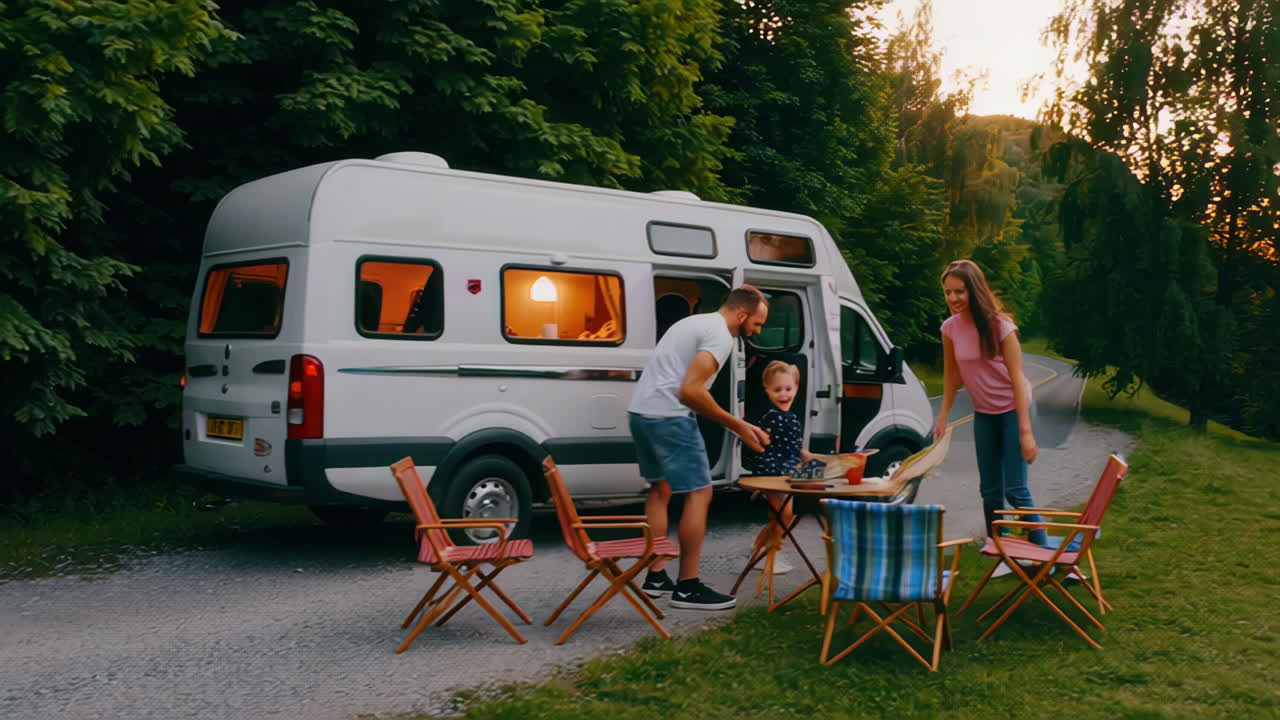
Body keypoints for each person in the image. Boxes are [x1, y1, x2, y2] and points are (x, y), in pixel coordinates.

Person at [631, 285, 772, 610]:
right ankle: (688, 586)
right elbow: (690, 391)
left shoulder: (692, 323)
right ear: (741, 314)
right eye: (757, 323)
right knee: (700, 492)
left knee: (661, 490)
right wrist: (738, 425)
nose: (756, 330)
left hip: (641, 413)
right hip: (670, 417)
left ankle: (655, 575)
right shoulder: (721, 335)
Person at [933, 259, 1048, 546]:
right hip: (984, 414)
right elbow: (951, 377)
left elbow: (1018, 378)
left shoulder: (1001, 327)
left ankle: (1044, 550)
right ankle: (1001, 545)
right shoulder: (950, 328)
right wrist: (943, 416)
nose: (953, 298)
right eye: (948, 292)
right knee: (990, 491)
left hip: (1013, 408)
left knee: (1015, 489)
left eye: (960, 291)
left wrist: (1025, 432)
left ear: (974, 290)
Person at [743, 360, 818, 576]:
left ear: (796, 389)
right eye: (777, 390)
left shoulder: (792, 418)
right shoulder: (771, 417)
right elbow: (763, 441)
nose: (784, 394)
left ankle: (759, 549)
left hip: (787, 472)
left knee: (784, 515)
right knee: (784, 514)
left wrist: (806, 456)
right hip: (772, 472)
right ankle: (769, 555)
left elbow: (793, 446)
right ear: (767, 391)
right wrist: (760, 437)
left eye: (788, 389)